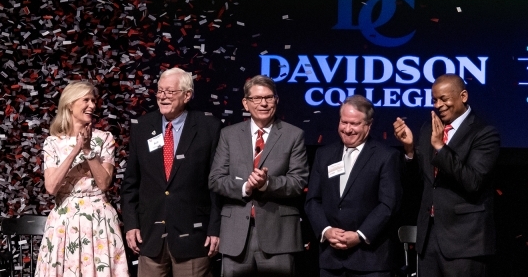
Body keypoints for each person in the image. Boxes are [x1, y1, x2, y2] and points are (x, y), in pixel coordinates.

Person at [392, 75, 500, 277]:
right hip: (429, 239)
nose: (438, 105)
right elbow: (420, 181)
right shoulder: (428, 130)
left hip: (465, 242)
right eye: (434, 100)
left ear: (463, 96)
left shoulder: (484, 133)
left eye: (444, 99)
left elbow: (473, 181)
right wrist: (409, 150)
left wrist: (440, 147)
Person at [121, 67, 222, 277]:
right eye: (160, 91)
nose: (163, 97)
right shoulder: (142, 126)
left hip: (194, 237)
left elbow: (216, 184)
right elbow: (131, 182)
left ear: (187, 95)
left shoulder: (208, 127)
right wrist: (131, 225)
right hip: (149, 237)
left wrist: (215, 228)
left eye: (170, 92)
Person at [209, 75, 309, 277]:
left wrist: (266, 184)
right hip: (236, 235)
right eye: (256, 98)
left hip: (278, 235)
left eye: (269, 97)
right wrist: (245, 186)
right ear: (245, 103)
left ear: (277, 101)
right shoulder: (229, 135)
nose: (263, 103)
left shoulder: (294, 135)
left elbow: (298, 182)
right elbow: (216, 179)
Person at [36, 81, 129, 277]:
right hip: (64, 222)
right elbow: (52, 187)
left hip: (98, 220)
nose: (92, 105)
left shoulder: (104, 139)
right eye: (86, 100)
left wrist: (87, 151)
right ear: (70, 104)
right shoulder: (53, 142)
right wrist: (75, 150)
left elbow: (104, 183)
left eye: (93, 100)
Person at [305, 96, 402, 277]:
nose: (347, 129)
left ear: (368, 125)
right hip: (331, 259)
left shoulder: (386, 156)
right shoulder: (324, 155)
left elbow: (388, 204)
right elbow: (313, 200)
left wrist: (359, 235)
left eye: (354, 124)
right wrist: (326, 231)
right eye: (344, 122)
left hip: (370, 261)